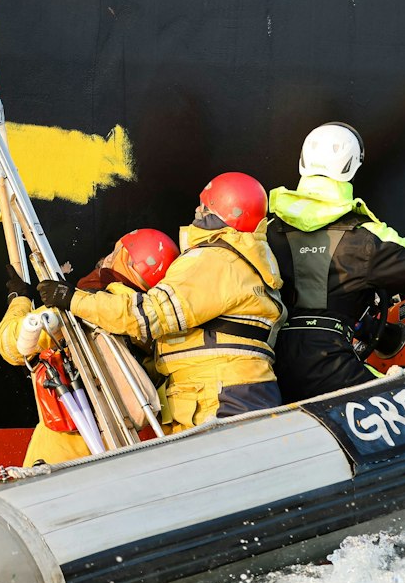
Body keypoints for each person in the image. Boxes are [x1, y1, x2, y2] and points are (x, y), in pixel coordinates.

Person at [38, 174, 284, 430]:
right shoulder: (244, 262)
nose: (197, 211)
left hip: (220, 401)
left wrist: (73, 299)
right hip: (230, 395)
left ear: (216, 210)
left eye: (204, 205)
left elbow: (145, 316)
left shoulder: (214, 261)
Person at [265, 122, 405, 400]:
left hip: (271, 368)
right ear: (352, 168)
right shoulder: (362, 237)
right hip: (330, 363)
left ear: (302, 163)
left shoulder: (267, 230)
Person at [0, 229, 179, 467]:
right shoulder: (153, 331)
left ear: (125, 259)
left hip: (63, 451)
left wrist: (19, 299)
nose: (105, 258)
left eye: (114, 252)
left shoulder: (79, 307)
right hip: (127, 451)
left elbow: (11, 347)